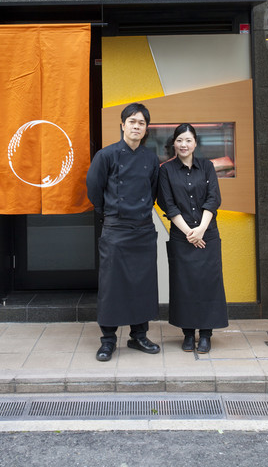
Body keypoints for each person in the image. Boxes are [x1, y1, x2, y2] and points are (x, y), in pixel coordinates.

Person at [86, 102, 161, 362]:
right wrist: (110, 213)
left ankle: (139, 335)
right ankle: (108, 340)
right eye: (132, 122)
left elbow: (153, 191)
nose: (136, 127)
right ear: (122, 125)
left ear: (146, 128)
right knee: (111, 285)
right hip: (116, 229)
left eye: (141, 123)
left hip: (143, 229)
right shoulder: (106, 155)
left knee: (142, 284)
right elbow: (94, 189)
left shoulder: (151, 158)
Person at [157, 123, 228, 353]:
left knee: (208, 284)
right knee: (184, 285)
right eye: (179, 140)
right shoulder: (166, 170)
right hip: (181, 236)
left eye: (188, 140)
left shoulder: (207, 166)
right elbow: (168, 204)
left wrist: (201, 230)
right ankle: (188, 333)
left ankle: (206, 334)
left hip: (208, 235)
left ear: (195, 143)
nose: (183, 145)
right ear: (174, 143)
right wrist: (190, 232)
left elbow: (213, 199)